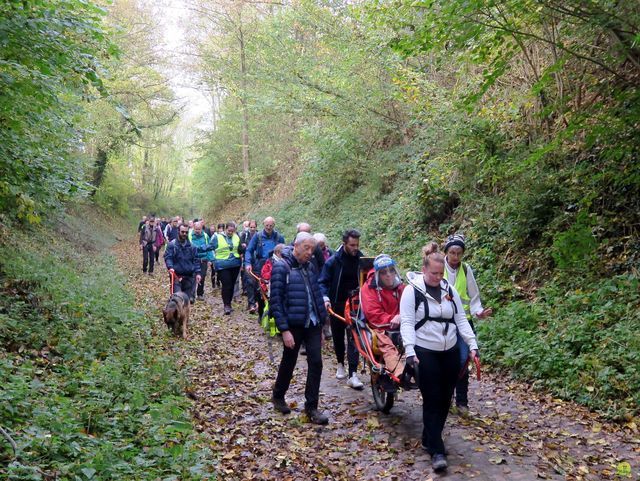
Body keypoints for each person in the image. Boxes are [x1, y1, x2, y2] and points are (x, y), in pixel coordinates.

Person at [399, 243, 478, 472]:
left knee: (445, 399)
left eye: (440, 273)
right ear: (424, 270)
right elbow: (407, 323)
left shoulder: (449, 290)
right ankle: (437, 449)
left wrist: (472, 345)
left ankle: (428, 436)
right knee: (432, 397)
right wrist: (411, 351)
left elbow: (461, 320)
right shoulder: (411, 291)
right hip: (425, 351)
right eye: (433, 273)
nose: (437, 277)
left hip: (450, 350)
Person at [270, 232, 329, 425]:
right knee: (289, 360)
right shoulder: (281, 267)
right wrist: (284, 330)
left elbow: (316, 294)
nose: (310, 253)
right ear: (296, 246)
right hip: (293, 324)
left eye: (312, 249)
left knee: (316, 362)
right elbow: (276, 301)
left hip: (312, 323)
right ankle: (278, 396)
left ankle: (311, 407)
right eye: (307, 248)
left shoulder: (311, 266)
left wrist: (320, 324)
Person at [442, 234, 492, 415]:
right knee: (445, 362)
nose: (455, 257)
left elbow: (473, 296)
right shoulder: (439, 268)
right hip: (443, 323)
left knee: (464, 360)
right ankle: (445, 398)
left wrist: (478, 312)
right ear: (446, 253)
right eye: (452, 252)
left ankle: (462, 402)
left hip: (464, 322)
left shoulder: (465, 269)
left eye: (459, 253)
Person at [319, 229, 364, 389]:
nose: (355, 248)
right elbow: (322, 282)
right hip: (337, 303)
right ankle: (340, 364)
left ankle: (353, 373)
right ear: (344, 244)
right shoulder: (333, 261)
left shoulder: (362, 259)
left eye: (357, 245)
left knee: (354, 337)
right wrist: (325, 298)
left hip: (356, 304)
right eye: (352, 245)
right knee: (338, 336)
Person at [360, 254, 406, 385]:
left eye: (391, 271)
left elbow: (410, 305)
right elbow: (374, 315)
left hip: (401, 323)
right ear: (378, 274)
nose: (389, 275)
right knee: (386, 344)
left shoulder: (401, 287)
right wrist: (393, 319)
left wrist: (402, 317)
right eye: (384, 273)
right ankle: (400, 373)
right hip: (379, 327)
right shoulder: (369, 289)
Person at [245, 217, 285, 316]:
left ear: (274, 225)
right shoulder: (257, 236)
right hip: (260, 264)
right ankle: (261, 312)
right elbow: (249, 250)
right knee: (260, 289)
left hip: (275, 264)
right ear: (263, 224)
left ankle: (274, 312)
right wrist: (248, 263)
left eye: (271, 225)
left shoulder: (279, 237)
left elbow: (285, 250)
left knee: (275, 287)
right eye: (267, 225)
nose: (269, 227)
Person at [201, 222, 244, 315]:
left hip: (235, 264)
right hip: (222, 265)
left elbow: (239, 249)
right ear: (225, 229)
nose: (230, 233)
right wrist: (199, 248)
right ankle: (226, 305)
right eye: (229, 231)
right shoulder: (218, 237)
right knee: (226, 284)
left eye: (232, 231)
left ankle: (229, 303)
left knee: (232, 285)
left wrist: (243, 247)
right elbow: (210, 246)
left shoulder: (237, 237)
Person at [164, 223, 202, 303]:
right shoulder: (172, 245)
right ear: (178, 231)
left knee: (187, 302)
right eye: (182, 232)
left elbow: (196, 260)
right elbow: (168, 257)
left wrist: (198, 273)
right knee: (177, 300)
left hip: (189, 277)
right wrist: (170, 267)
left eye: (186, 232)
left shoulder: (192, 247)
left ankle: (184, 315)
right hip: (176, 276)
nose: (184, 234)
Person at [189, 221, 213, 301]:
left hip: (203, 260)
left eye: (199, 229)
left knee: (202, 277)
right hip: (192, 260)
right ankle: (191, 295)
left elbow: (209, 248)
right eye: (196, 229)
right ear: (193, 228)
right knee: (192, 277)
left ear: (201, 229)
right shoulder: (189, 236)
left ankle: (200, 294)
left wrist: (210, 259)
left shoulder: (205, 236)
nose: (197, 231)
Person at [240, 219, 257, 304]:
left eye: (254, 227)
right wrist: (243, 246)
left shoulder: (259, 236)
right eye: (251, 227)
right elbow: (241, 246)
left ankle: (256, 300)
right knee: (248, 279)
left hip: (257, 261)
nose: (252, 229)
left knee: (256, 281)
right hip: (247, 260)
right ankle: (250, 301)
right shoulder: (245, 235)